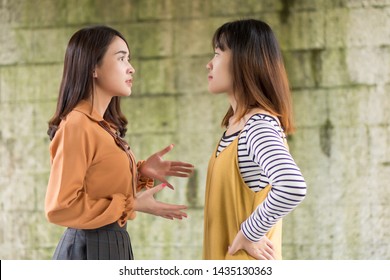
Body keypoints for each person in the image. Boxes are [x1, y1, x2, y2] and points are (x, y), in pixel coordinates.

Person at [44, 25, 194, 260]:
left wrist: (140, 171)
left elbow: (100, 187)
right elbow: (60, 208)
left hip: (112, 244)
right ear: (93, 67)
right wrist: (130, 204)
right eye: (121, 58)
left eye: (129, 59)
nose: (131, 68)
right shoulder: (77, 125)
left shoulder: (103, 127)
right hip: (89, 249)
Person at [203, 19, 307, 260]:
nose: (209, 64)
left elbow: (292, 186)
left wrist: (249, 233)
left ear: (243, 61)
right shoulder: (236, 126)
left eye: (217, 54)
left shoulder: (257, 125)